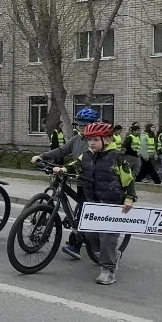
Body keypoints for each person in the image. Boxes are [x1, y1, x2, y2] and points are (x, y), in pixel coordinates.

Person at [52, 121, 138, 285]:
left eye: (95, 139)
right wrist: (63, 169)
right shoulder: (87, 156)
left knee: (107, 237)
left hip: (112, 204)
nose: (91, 143)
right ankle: (109, 254)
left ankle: (108, 270)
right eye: (89, 140)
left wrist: (129, 198)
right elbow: (75, 165)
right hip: (92, 203)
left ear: (107, 139)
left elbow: (129, 180)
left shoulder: (117, 158)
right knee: (89, 233)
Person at [31, 107, 101, 260]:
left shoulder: (96, 142)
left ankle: (77, 245)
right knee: (78, 208)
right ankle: (78, 233)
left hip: (94, 184)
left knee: (83, 213)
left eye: (84, 125)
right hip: (80, 181)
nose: (81, 127)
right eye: (79, 124)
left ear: (93, 125)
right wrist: (42, 156)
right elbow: (62, 150)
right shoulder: (77, 140)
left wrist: (68, 168)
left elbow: (88, 161)